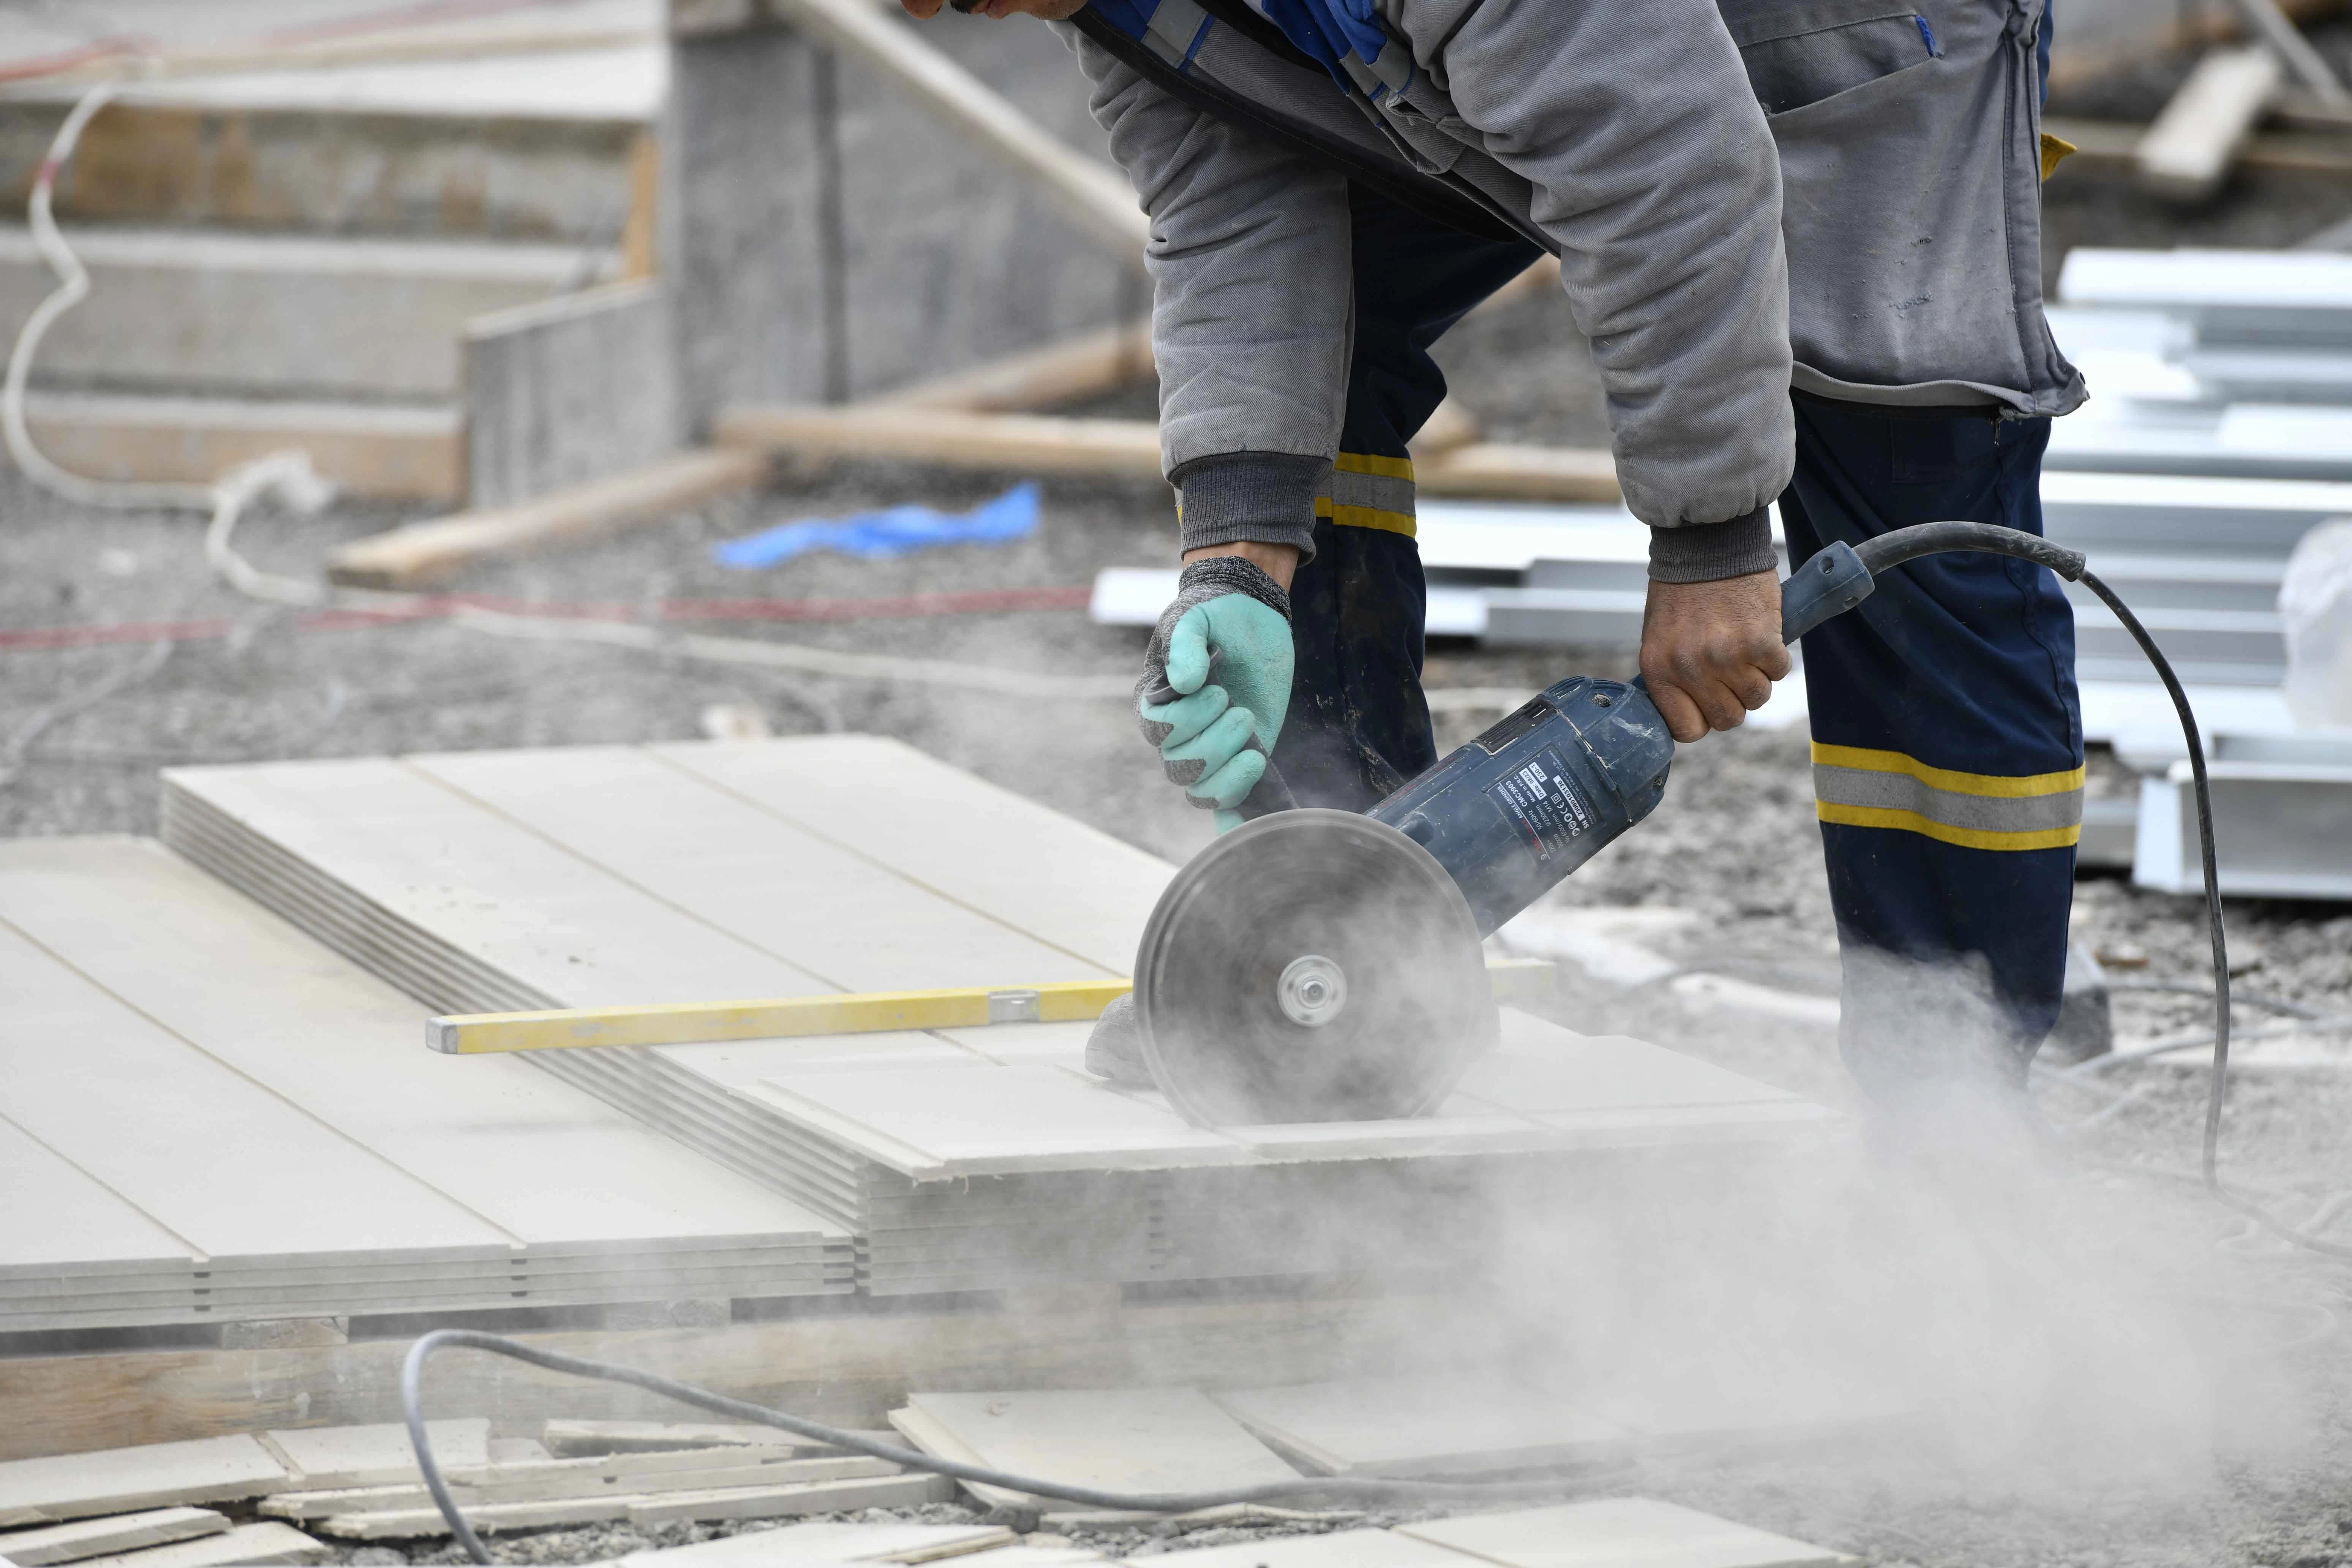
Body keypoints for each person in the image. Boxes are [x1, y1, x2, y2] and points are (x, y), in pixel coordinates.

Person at [902, 0, 2086, 1099]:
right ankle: (1337, 956)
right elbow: (1237, 215)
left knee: (1911, 498)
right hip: (1547, 62)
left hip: (1852, 43)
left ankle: (1953, 1110)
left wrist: (1712, 539)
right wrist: (1238, 554)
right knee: (1334, 336)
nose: (924, 14)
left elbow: (1667, 161)